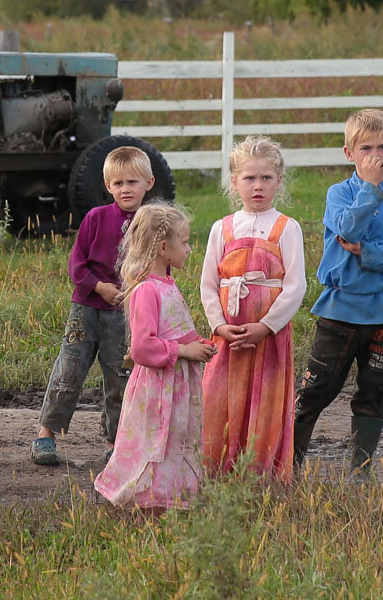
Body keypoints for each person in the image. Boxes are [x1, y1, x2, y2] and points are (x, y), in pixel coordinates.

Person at [293, 109, 383, 475]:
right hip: (340, 311)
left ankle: (358, 471)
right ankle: (289, 465)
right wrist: (368, 189)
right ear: (349, 153)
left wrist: (368, 252)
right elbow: (347, 230)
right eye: (366, 148)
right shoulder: (338, 195)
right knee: (317, 389)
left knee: (375, 390)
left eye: (382, 147)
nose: (374, 156)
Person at [31, 146, 155, 465]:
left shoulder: (152, 224)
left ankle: (117, 442)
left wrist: (134, 293)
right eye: (118, 184)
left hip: (126, 313)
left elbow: (158, 268)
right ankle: (46, 434)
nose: (125, 189)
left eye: (132, 182)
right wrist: (99, 287)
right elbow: (77, 265)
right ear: (108, 186)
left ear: (149, 183)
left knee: (120, 377)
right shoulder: (96, 217)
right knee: (69, 371)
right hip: (86, 309)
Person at [94, 204, 216, 513]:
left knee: (175, 443)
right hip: (158, 390)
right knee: (155, 445)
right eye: (185, 242)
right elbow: (141, 348)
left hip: (176, 388)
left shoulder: (168, 285)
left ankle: (170, 499)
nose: (189, 249)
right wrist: (183, 351)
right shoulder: (146, 290)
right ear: (164, 248)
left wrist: (200, 343)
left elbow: (175, 332)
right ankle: (148, 506)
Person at [200, 136, 306, 481]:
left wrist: (266, 326)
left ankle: (261, 473)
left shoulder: (287, 228)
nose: (257, 186)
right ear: (234, 183)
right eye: (249, 178)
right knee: (221, 398)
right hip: (228, 335)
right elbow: (208, 285)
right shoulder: (222, 228)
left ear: (279, 181)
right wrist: (218, 326)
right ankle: (217, 470)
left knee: (265, 401)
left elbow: (295, 287)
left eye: (266, 178)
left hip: (268, 337)